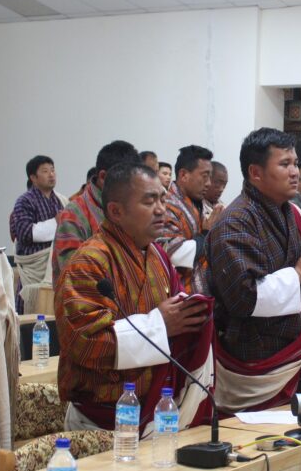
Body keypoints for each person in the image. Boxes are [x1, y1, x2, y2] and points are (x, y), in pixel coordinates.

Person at [56, 163, 214, 432]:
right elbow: (84, 342)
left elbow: (180, 317)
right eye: (149, 201)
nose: (161, 209)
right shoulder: (88, 263)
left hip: (156, 409)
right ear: (116, 211)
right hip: (99, 421)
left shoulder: (158, 256)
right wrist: (159, 325)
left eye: (162, 199)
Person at [206, 128, 301, 413]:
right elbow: (243, 298)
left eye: (295, 163)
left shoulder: (291, 214)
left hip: (294, 352)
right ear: (255, 173)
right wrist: (300, 275)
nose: (295, 172)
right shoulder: (235, 222)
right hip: (253, 359)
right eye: (284, 164)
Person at [52, 140, 140, 282]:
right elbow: (74, 272)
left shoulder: (128, 206)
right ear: (103, 177)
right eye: (126, 182)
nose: (131, 188)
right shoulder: (74, 213)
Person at [9, 155, 68, 313]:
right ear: (33, 178)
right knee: (30, 313)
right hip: (33, 270)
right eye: (45, 171)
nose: (51, 175)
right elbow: (25, 233)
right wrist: (55, 223)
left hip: (55, 267)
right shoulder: (24, 201)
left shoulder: (61, 201)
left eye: (53, 170)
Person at [157, 145, 216, 294]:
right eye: (204, 176)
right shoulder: (167, 206)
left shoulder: (200, 202)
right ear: (183, 175)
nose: (209, 183)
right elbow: (174, 253)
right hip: (183, 298)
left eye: (210, 177)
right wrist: (206, 234)